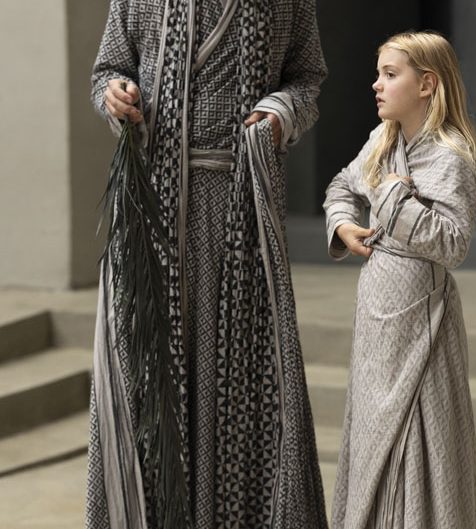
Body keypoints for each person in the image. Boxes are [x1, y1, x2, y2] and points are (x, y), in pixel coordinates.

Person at [86, 1, 328, 529]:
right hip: (152, 208)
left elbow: (307, 79)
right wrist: (114, 94)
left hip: (241, 207)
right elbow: (109, 69)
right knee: (144, 370)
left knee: (243, 371)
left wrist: (282, 112)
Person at [323, 31, 476, 529]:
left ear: (427, 84)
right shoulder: (383, 141)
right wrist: (343, 223)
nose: (376, 84)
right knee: (372, 429)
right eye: (378, 74)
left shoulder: (451, 156)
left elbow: (452, 244)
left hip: (423, 319)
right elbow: (342, 184)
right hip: (377, 316)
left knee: (420, 432)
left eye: (389, 74)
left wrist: (393, 200)